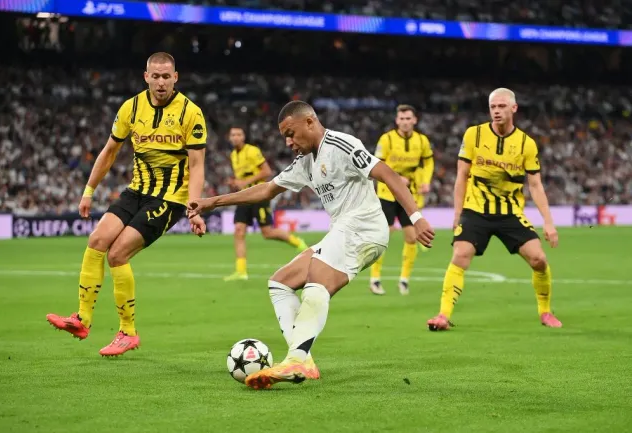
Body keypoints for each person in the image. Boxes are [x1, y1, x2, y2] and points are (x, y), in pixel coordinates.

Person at [187, 101, 435, 389]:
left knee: (317, 276)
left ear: (309, 122)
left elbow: (388, 174)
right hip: (343, 231)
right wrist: (210, 202)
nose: (289, 142)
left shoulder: (342, 145)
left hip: (364, 227)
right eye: (284, 137)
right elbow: (267, 190)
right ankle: (304, 360)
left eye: (291, 134)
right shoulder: (305, 163)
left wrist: (417, 218)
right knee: (280, 283)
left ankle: (297, 358)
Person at [46, 52, 208, 356]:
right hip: (136, 190)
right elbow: (109, 152)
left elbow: (197, 165)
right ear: (145, 76)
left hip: (169, 198)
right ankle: (81, 319)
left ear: (176, 77)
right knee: (97, 240)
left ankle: (128, 332)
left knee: (117, 254)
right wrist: (88, 190)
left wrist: (193, 207)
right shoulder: (131, 108)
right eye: (155, 76)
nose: (161, 82)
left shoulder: (191, 113)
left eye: (166, 76)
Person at [427, 88, 562, 331]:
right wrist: (457, 214)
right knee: (460, 254)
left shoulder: (526, 144)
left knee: (539, 259)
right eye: (493, 107)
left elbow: (535, 185)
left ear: (514, 108)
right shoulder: (473, 135)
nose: (496, 111)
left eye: (501, 106)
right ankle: (443, 315)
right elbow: (462, 176)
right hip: (475, 209)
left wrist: (548, 222)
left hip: (510, 213)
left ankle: (545, 312)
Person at [224, 126, 308, 281]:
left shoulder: (252, 151)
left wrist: (245, 181)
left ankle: (299, 243)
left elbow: (266, 171)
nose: (235, 137)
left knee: (268, 233)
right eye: (233, 134)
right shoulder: (233, 155)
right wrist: (236, 183)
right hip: (244, 196)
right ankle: (241, 271)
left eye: (238, 134)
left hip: (258, 195)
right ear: (229, 138)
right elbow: (243, 178)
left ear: (243, 137)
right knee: (239, 230)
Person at [369, 105, 434, 296]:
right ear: (397, 121)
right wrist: (396, 177)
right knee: (384, 235)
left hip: (409, 193)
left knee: (412, 237)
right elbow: (377, 164)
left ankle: (404, 280)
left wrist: (426, 181)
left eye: (408, 118)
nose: (405, 122)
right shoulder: (387, 139)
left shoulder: (422, 140)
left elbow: (428, 161)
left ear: (414, 120)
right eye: (402, 119)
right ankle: (375, 279)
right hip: (387, 193)